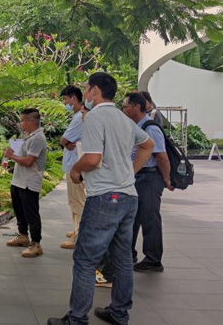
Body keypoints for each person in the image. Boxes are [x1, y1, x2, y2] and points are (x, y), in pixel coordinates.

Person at [47, 72, 154, 325]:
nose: (84, 93)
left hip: (105, 198)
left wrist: (76, 170)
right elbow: (147, 145)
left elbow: (93, 158)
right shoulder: (123, 118)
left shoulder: (94, 117)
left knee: (85, 260)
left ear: (95, 91)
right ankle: (119, 313)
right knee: (123, 259)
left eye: (86, 88)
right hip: (128, 196)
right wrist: (129, 172)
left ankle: (76, 319)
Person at [123, 92, 173, 273]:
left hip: (149, 178)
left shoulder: (150, 128)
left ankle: (153, 260)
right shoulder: (136, 126)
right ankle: (128, 254)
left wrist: (166, 179)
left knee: (149, 218)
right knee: (132, 218)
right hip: (137, 177)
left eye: (126, 106)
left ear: (137, 107)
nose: (123, 110)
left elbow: (162, 157)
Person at [4, 108, 47, 257]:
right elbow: (22, 155)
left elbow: (29, 161)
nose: (20, 123)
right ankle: (23, 235)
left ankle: (36, 244)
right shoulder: (28, 135)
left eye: (22, 120)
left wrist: (11, 156)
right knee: (19, 210)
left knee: (31, 213)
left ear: (30, 122)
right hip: (18, 180)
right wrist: (12, 152)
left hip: (29, 181)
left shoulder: (38, 138)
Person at [59, 85, 85, 250]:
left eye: (65, 99)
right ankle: (77, 229)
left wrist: (65, 141)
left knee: (77, 201)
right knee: (75, 200)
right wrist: (67, 142)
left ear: (73, 99)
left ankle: (80, 235)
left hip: (76, 166)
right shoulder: (79, 116)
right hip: (74, 163)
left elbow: (64, 139)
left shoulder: (79, 117)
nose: (65, 103)